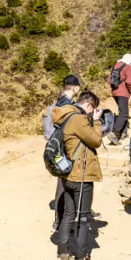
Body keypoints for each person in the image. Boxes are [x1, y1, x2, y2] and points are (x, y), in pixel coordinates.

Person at [51, 90, 105, 260]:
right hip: (81, 175)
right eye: (93, 110)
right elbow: (96, 140)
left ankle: (62, 255)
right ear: (89, 105)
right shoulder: (79, 119)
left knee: (68, 214)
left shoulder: (65, 116)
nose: (92, 113)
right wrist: (97, 121)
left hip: (66, 174)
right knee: (82, 218)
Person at [44, 74, 83, 231]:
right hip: (67, 150)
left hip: (56, 150)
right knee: (66, 184)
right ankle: (62, 221)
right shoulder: (71, 107)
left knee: (63, 183)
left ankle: (60, 220)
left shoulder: (53, 106)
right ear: (74, 87)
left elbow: (47, 132)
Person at [107, 54, 131, 146]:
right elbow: (129, 81)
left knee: (123, 112)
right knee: (124, 114)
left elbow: (108, 80)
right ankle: (114, 133)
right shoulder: (128, 66)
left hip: (114, 92)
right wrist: (130, 90)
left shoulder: (114, 66)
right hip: (123, 92)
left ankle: (123, 133)